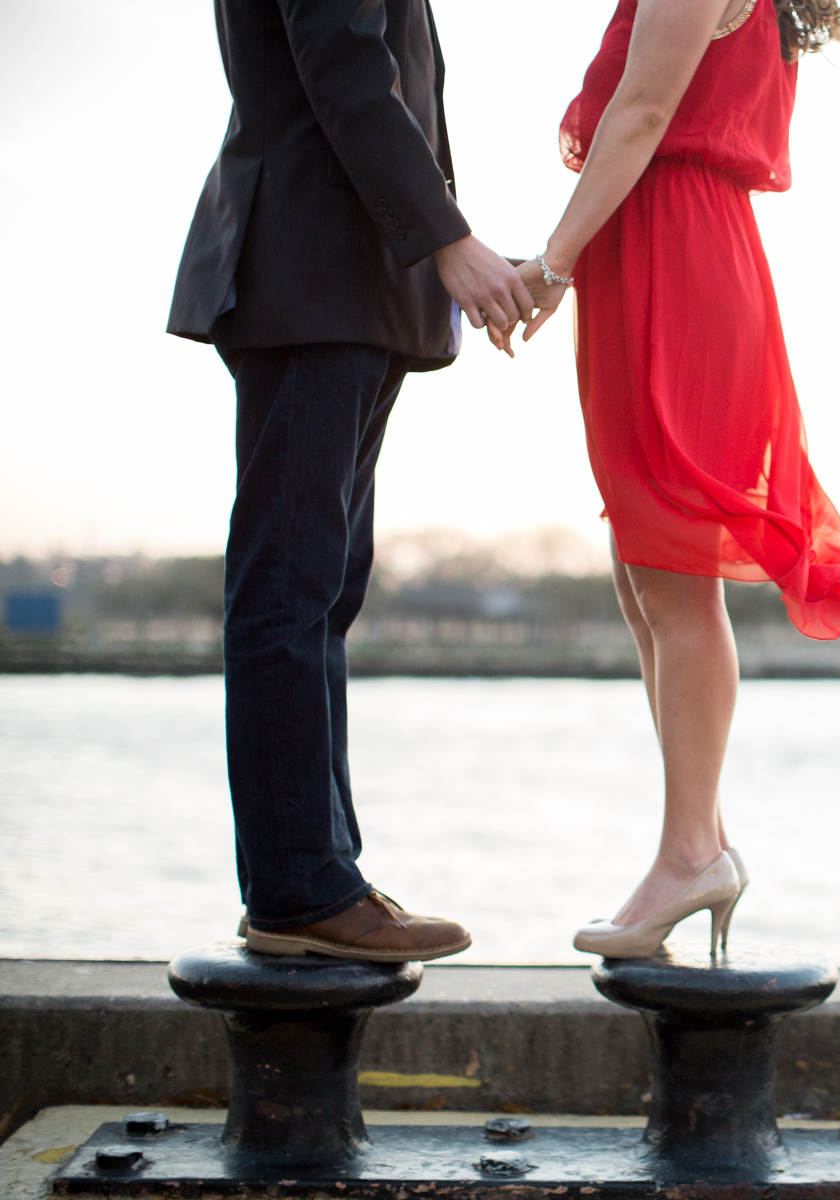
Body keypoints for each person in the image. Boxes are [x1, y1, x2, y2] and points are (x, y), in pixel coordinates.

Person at [515, 0, 840, 957]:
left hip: (679, 256)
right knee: (644, 576)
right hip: (655, 253)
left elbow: (639, 116)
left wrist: (550, 266)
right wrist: (568, 265)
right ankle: (693, 844)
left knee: (672, 572)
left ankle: (692, 851)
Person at [166, 0, 530, 962]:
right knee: (290, 587)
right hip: (310, 275)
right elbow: (346, 67)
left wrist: (448, 248)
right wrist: (447, 240)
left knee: (323, 591)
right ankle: (298, 890)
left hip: (349, 285)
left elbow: (388, 81)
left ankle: (320, 875)